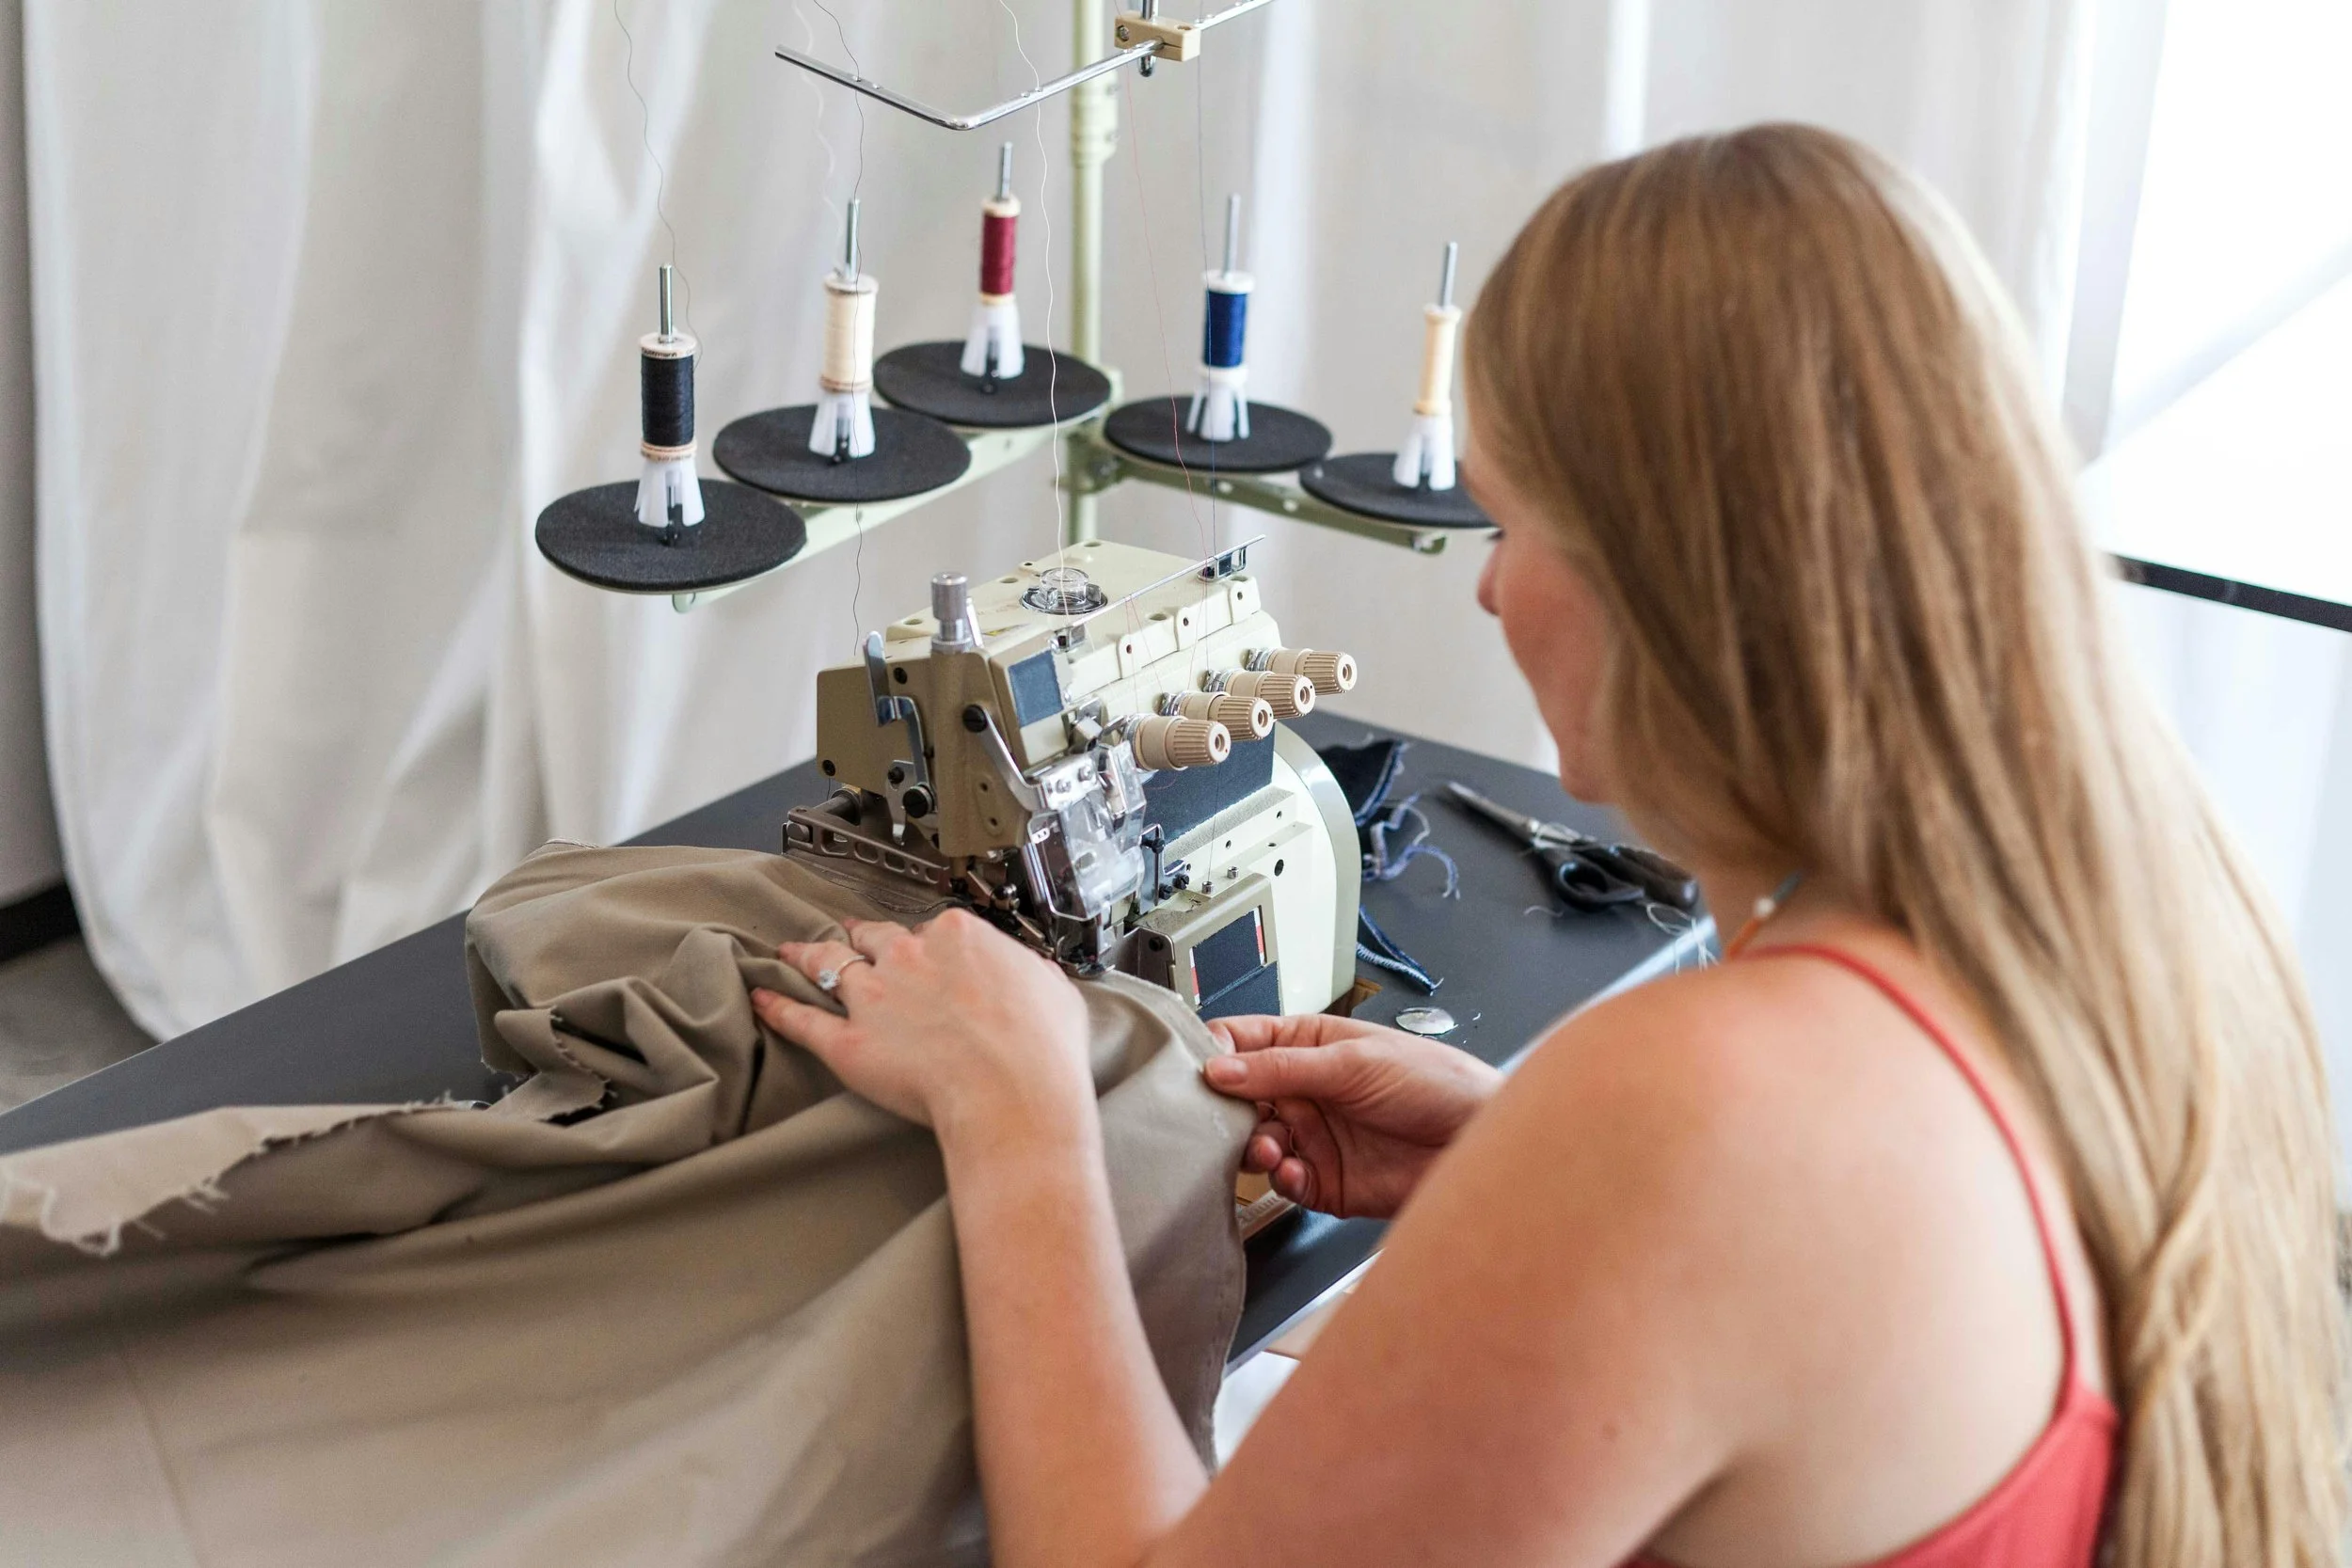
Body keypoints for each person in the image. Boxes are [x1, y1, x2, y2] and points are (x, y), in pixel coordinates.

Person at [749, 124, 2344, 1568]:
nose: (1490, 592)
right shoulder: (2136, 947)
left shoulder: (1698, 1109)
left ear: (1680, 583)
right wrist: (1521, 1164)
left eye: (1515, 525)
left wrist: (1018, 1115)